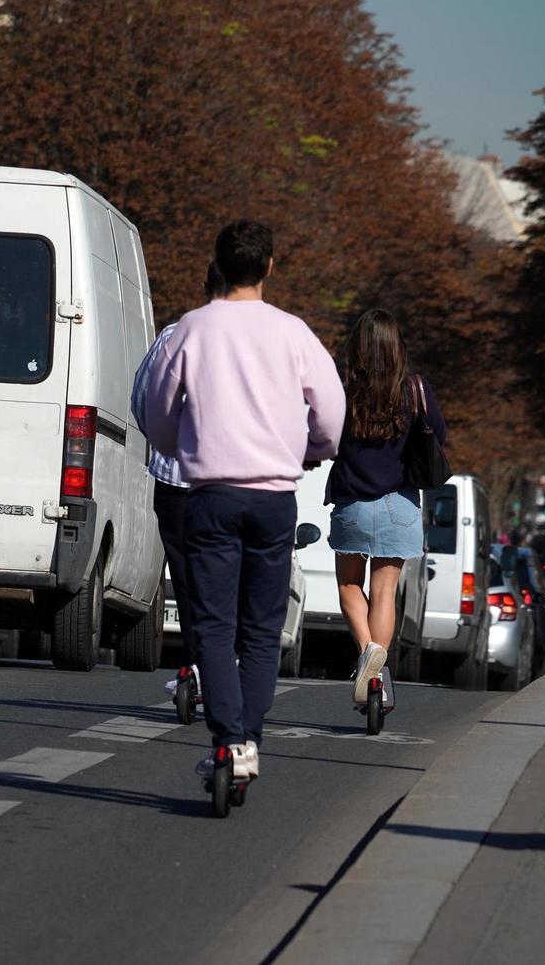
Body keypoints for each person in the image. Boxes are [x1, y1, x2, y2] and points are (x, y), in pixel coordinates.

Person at [145, 221, 345, 784]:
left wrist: (176, 444)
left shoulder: (192, 329)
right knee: (261, 628)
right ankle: (249, 740)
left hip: (210, 494)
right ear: (270, 266)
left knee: (210, 626)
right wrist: (313, 450)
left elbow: (157, 410)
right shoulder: (294, 333)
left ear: (218, 261)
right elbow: (331, 409)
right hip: (276, 498)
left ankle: (228, 740)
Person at [324, 309, 447, 703]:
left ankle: (367, 653)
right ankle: (376, 678)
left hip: (353, 504)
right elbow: (439, 434)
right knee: (385, 592)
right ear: (397, 348)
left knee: (348, 585)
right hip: (400, 505)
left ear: (357, 348)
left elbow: (323, 437)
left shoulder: (342, 390)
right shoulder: (414, 389)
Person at [131, 263, 227, 697]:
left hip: (177, 482)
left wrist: (164, 443)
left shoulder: (174, 337)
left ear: (204, 287)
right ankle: (224, 661)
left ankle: (195, 663)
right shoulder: (263, 342)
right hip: (234, 481)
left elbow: (141, 400)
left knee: (187, 579)